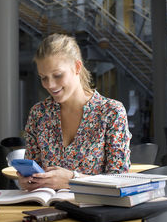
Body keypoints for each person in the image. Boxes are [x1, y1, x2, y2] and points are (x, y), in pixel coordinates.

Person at [18, 33, 131, 191]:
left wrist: (72, 179)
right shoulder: (39, 113)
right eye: (43, 77)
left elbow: (120, 180)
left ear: (77, 67)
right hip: (46, 209)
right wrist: (27, 181)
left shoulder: (111, 112)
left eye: (57, 75)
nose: (50, 85)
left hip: (94, 210)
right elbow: (33, 170)